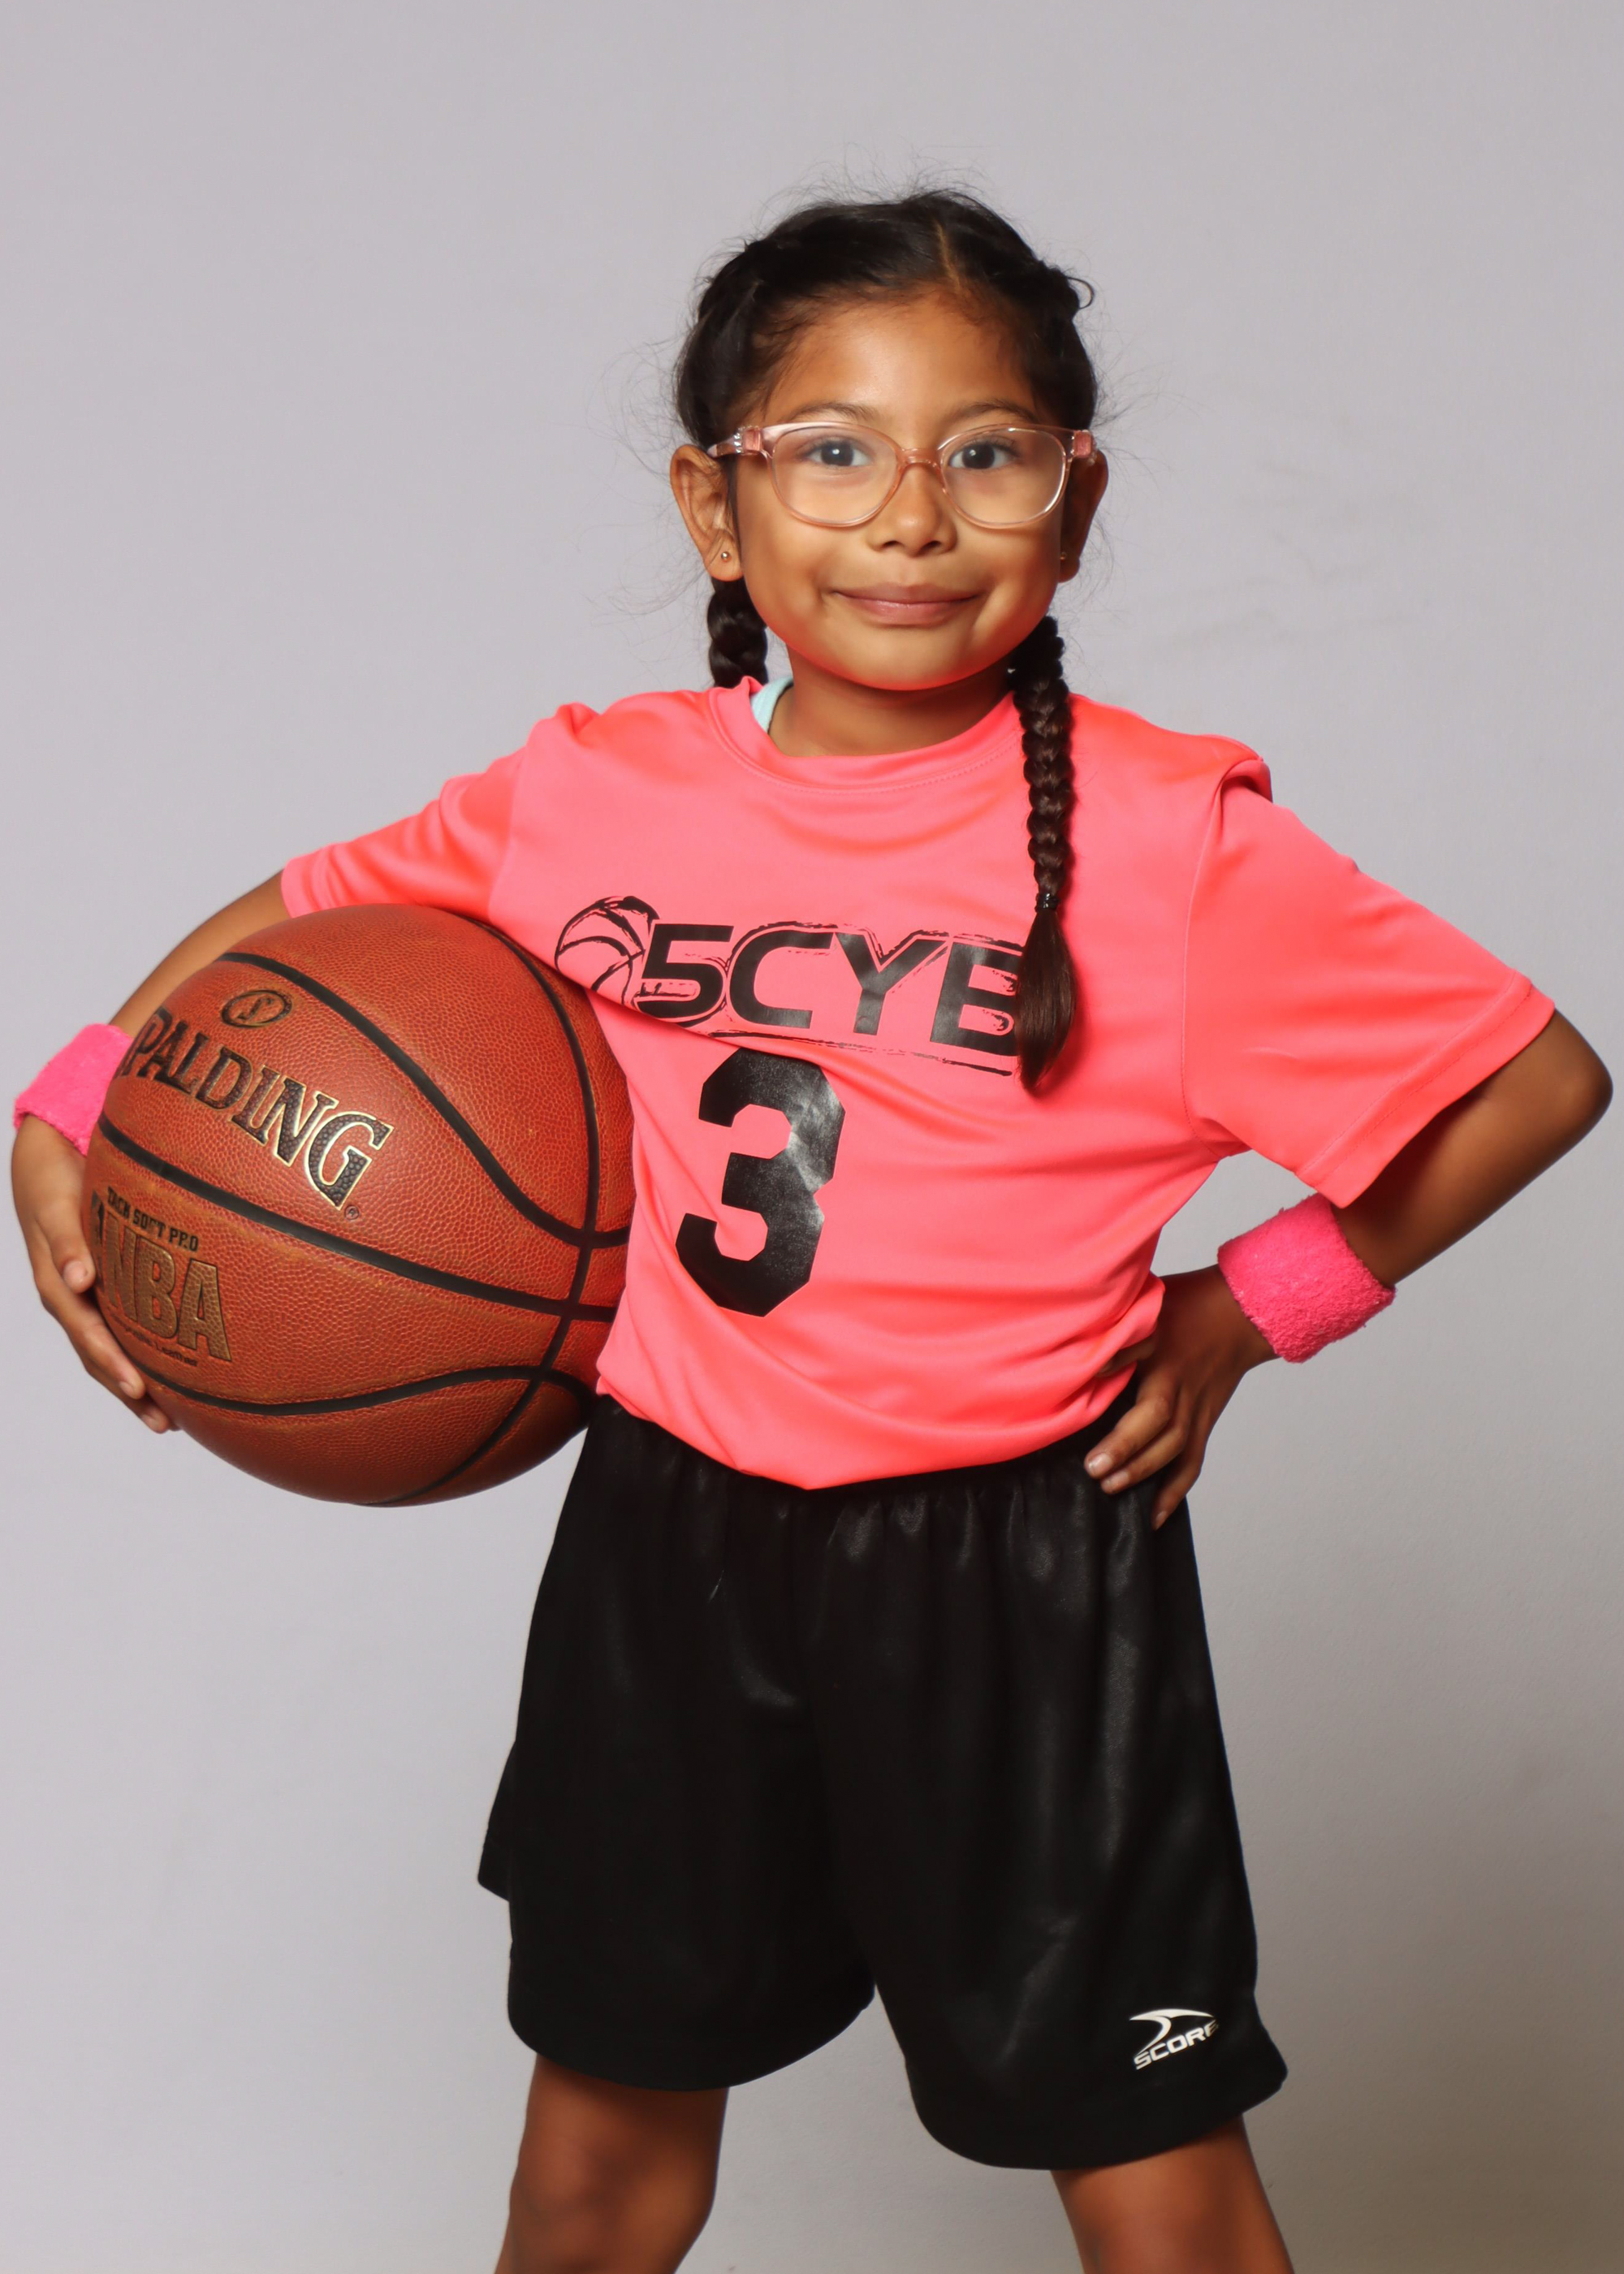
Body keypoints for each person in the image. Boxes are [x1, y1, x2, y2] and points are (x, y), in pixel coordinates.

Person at [11, 188, 1610, 2274]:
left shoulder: (1172, 842)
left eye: (986, 450)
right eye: (832, 449)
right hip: (670, 1539)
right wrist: (70, 1105)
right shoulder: (594, 788)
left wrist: (1250, 1306)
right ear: (716, 504)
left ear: (1075, 499)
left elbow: (1531, 1077)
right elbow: (304, 920)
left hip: (1018, 1570)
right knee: (591, 2173)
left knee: (1160, 2194)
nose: (910, 516)